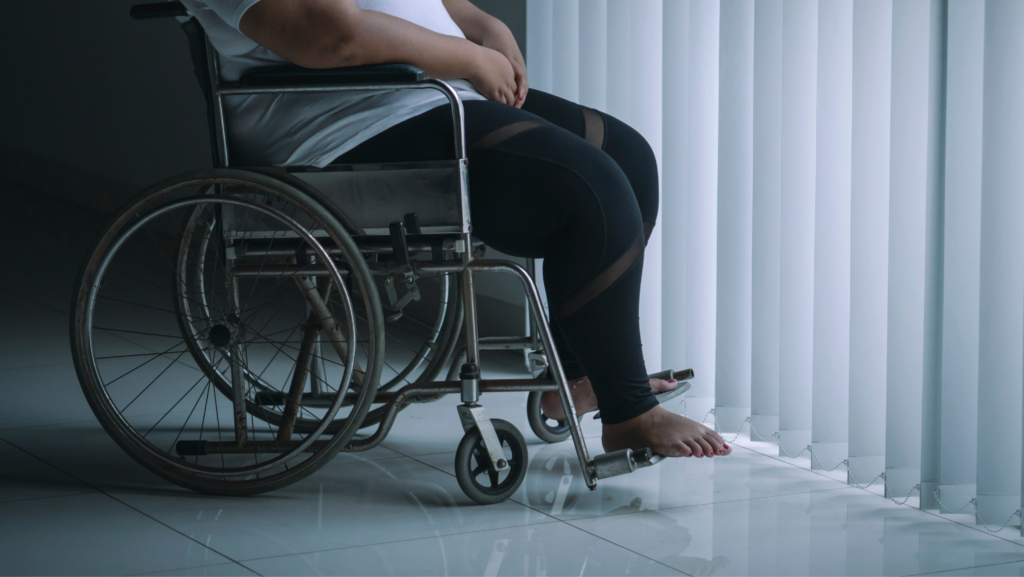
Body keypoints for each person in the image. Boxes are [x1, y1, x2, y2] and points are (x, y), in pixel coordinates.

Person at [180, 0, 731, 459]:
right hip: (343, 122)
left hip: (422, 90)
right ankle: (629, 413)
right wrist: (470, 56)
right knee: (593, 187)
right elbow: (332, 35)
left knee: (629, 159)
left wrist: (484, 25)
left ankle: (583, 376)